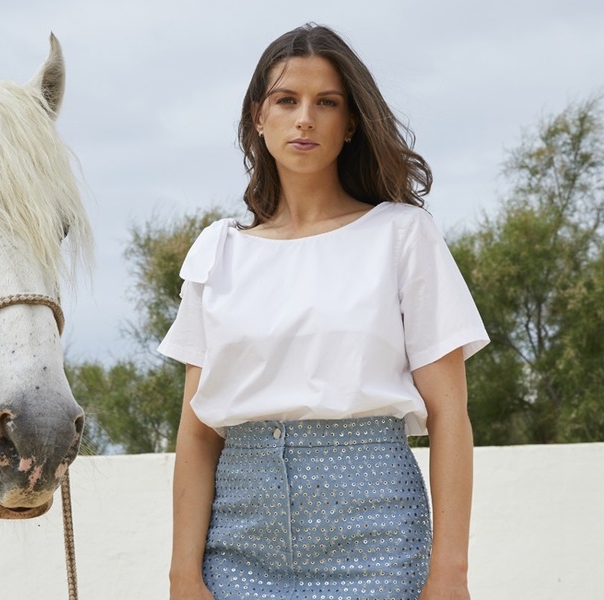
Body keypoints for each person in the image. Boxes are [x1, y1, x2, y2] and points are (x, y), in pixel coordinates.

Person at [159, 23, 488, 600]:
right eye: (287, 101)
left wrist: (450, 574)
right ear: (259, 118)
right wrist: (182, 574)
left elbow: (450, 417)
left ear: (351, 122)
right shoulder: (219, 250)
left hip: (378, 537)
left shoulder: (403, 236)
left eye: (326, 103)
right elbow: (198, 430)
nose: (305, 118)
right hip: (238, 541)